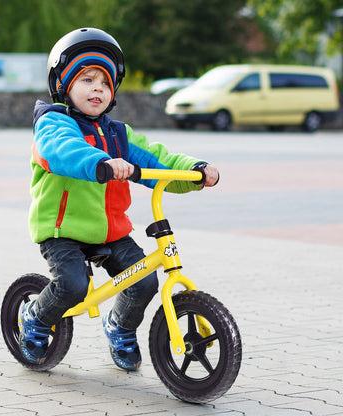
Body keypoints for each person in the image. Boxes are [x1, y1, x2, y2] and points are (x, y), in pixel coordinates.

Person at [19, 27, 219, 371]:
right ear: (64, 86)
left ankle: (120, 327)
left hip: (110, 230)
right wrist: (100, 162)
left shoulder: (118, 134)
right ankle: (35, 318)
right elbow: (62, 150)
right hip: (62, 230)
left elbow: (159, 160)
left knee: (144, 280)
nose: (98, 88)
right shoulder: (54, 123)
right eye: (87, 79)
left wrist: (196, 170)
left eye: (105, 83)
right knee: (72, 285)